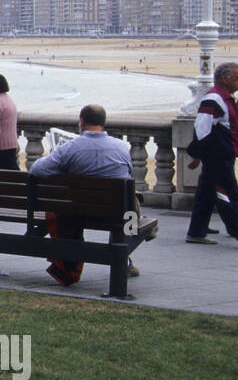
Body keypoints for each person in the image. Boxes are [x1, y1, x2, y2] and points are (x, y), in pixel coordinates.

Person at [28, 104, 148, 287]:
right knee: (131, 201)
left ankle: (121, 254)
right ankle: (125, 257)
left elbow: (36, 170)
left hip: (79, 212)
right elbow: (127, 174)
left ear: (82, 122)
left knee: (126, 200)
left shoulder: (70, 148)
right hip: (120, 214)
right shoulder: (122, 147)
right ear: (103, 123)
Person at [185, 62, 238, 249]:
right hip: (217, 158)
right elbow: (202, 129)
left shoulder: (228, 99)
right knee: (226, 195)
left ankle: (196, 232)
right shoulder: (214, 99)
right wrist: (197, 155)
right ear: (225, 78)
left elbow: (232, 127)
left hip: (222, 155)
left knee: (206, 195)